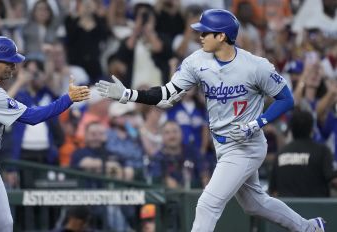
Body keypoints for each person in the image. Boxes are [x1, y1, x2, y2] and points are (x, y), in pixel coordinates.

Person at [96, 9, 326, 232]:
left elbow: (286, 99)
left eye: (205, 32)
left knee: (208, 204)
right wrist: (129, 95)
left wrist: (258, 123)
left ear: (221, 36)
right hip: (222, 143)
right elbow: (167, 95)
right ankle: (309, 227)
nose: (200, 36)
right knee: (254, 204)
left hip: (246, 144)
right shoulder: (197, 61)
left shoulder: (256, 66)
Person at [0, 36, 90, 232]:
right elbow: (32, 117)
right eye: (10, 62)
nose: (14, 67)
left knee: (4, 224)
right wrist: (68, 99)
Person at [269, 109, 337, 197]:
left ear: (291, 129)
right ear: (311, 129)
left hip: (287, 209)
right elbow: (334, 181)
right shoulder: (322, 151)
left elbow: (273, 191)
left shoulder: (280, 154)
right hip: (317, 209)